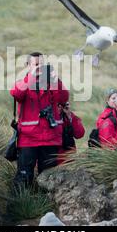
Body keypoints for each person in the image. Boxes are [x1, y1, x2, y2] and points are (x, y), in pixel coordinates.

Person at [10, 52, 69, 187]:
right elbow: (17, 94)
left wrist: (56, 81)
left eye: (42, 65)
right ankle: (22, 205)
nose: (39, 68)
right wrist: (31, 77)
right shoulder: (22, 82)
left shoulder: (51, 83)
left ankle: (47, 206)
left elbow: (63, 98)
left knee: (49, 180)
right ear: (28, 66)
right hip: (28, 140)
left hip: (50, 139)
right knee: (24, 178)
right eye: (36, 65)